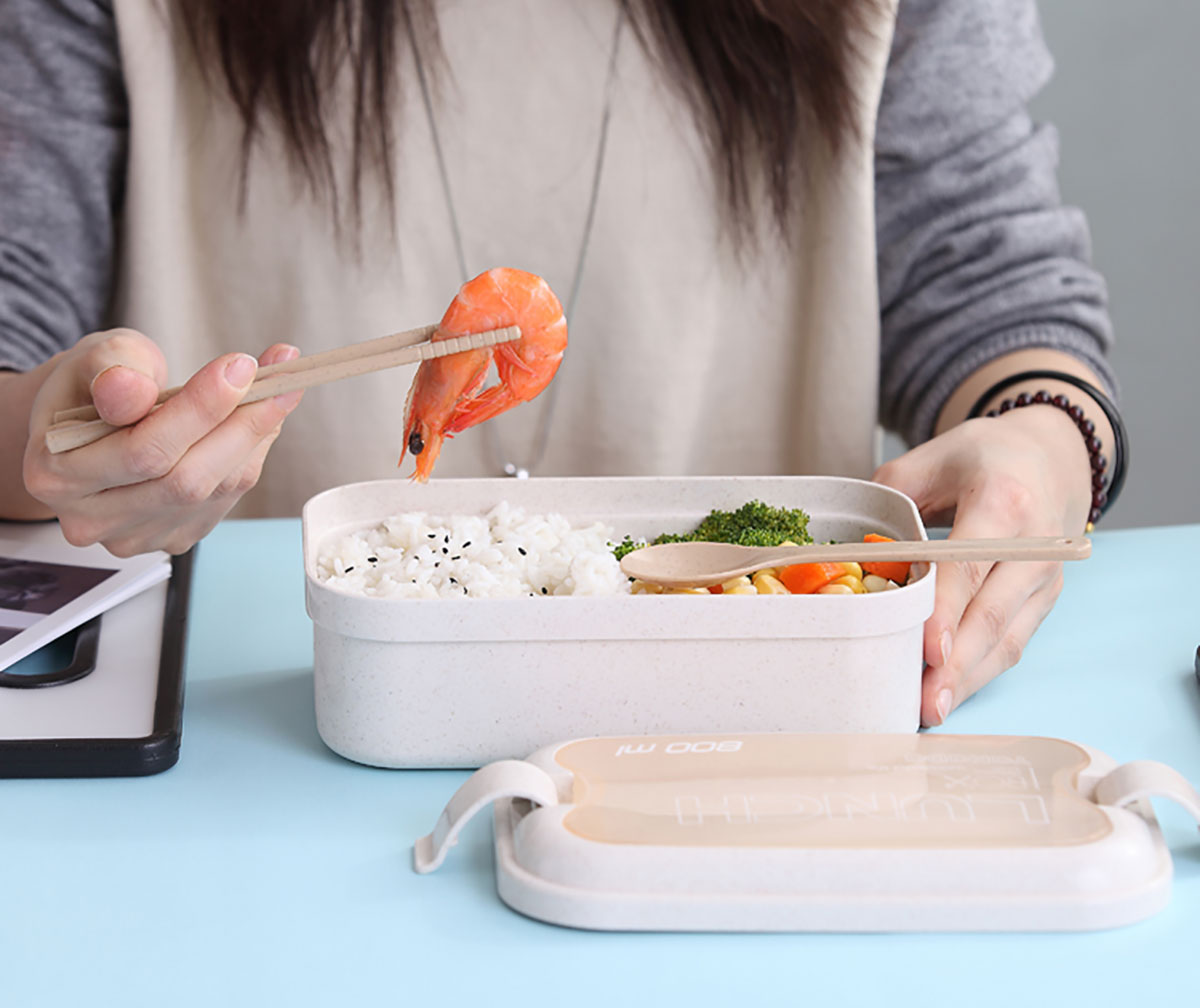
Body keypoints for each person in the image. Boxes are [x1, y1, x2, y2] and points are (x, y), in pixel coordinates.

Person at [0, 0, 1123, 726]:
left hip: (763, 721)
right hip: (271, 722)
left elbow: (991, 283)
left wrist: (1046, 436)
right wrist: (58, 437)